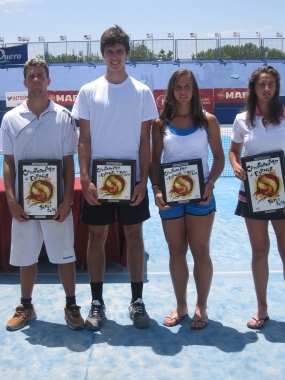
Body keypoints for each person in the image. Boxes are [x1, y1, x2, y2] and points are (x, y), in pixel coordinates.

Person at [71, 25, 158, 330]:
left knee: (134, 237)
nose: (115, 57)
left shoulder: (142, 92)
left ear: (128, 53)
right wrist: (86, 178)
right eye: (109, 52)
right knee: (97, 238)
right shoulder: (88, 91)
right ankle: (96, 303)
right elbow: (84, 140)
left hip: (132, 178)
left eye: (120, 51)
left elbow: (144, 141)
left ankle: (137, 302)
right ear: (103, 55)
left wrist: (143, 180)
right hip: (98, 179)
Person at [0, 58, 84, 331]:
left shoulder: (64, 117)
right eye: (31, 76)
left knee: (64, 254)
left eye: (40, 76)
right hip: (24, 203)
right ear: (24, 82)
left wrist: (68, 199)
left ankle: (71, 305)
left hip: (56, 201)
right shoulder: (10, 119)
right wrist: (11, 199)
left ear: (49, 81)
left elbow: (68, 161)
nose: (36, 80)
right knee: (26, 255)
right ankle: (26, 305)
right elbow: (9, 163)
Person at [149, 69, 224, 329]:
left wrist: (210, 184)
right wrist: (157, 188)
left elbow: (219, 157)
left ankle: (200, 306)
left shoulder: (208, 121)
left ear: (194, 90)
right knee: (176, 251)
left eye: (187, 86)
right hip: (171, 199)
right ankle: (181, 305)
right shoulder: (160, 124)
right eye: (178, 87)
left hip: (200, 198)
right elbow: (154, 161)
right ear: (171, 91)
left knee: (200, 251)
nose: (183, 91)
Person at [229, 66, 285, 329]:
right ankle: (261, 309)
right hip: (252, 193)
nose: (266, 88)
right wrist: (236, 165)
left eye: (271, 84)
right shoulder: (242, 119)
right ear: (253, 88)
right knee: (260, 250)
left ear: (276, 87)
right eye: (262, 84)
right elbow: (234, 151)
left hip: (282, 193)